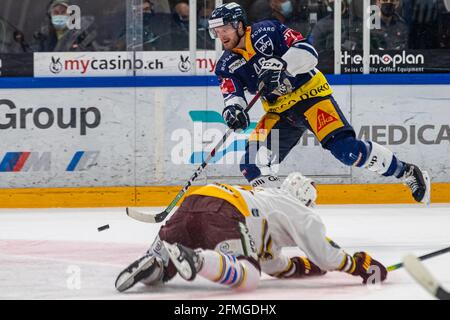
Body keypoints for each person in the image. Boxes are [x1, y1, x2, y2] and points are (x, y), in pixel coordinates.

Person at [207, 2, 430, 203]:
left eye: (224, 29)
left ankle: (406, 172)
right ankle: (282, 215)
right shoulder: (226, 64)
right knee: (252, 164)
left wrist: (282, 66)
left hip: (311, 97)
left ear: (238, 25)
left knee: (347, 152)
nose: (220, 36)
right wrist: (234, 111)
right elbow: (231, 96)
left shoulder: (269, 30)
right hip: (280, 113)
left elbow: (309, 52)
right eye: (217, 32)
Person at [115, 172, 388, 292]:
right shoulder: (301, 212)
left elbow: (274, 263)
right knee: (248, 276)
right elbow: (327, 255)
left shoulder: (268, 200)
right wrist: (359, 265)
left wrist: (307, 268)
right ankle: (198, 260)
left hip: (195, 200)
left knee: (167, 270)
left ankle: (154, 265)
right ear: (307, 201)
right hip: (225, 211)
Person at [33, 0, 103, 52]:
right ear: (50, 16)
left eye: (63, 12)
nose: (60, 15)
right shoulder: (42, 38)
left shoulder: (83, 37)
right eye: (56, 12)